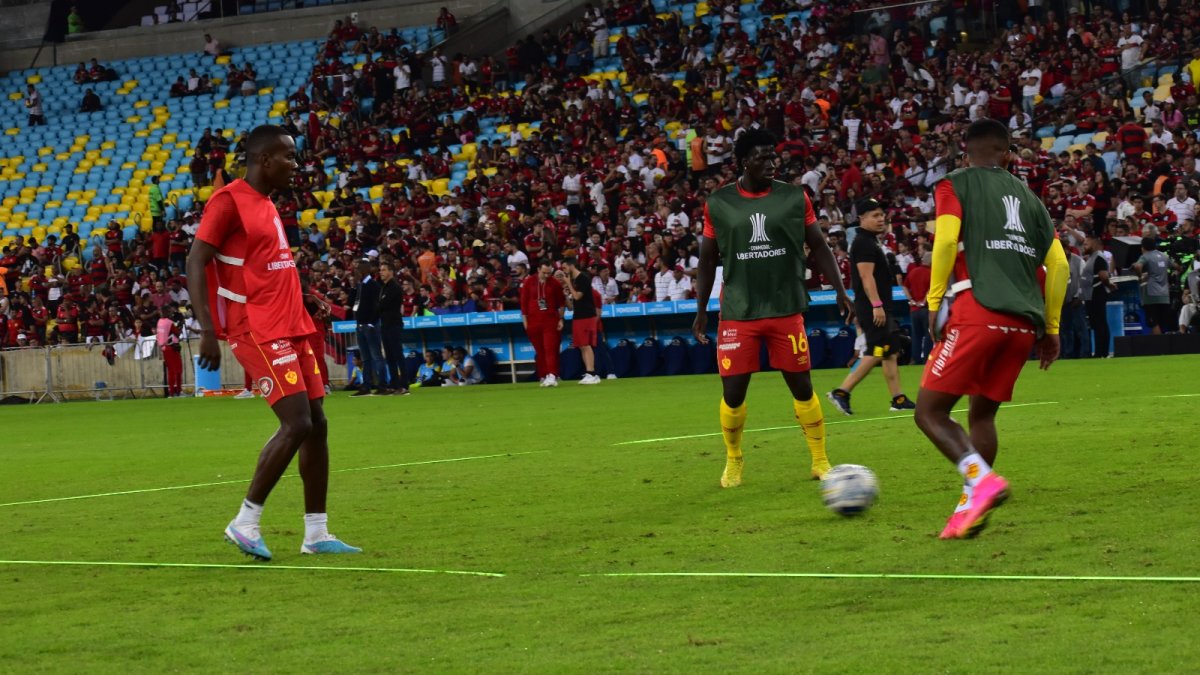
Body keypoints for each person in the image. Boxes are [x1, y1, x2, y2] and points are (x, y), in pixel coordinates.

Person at [187, 124, 359, 560]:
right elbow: (195, 259)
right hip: (258, 328)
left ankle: (316, 533)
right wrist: (207, 328)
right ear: (264, 160)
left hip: (292, 323)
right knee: (297, 422)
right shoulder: (228, 202)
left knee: (317, 424)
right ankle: (245, 521)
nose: (296, 165)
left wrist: (304, 300)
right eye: (289, 156)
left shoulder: (266, 204)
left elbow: (266, 266)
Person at [915, 119, 1067, 540]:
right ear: (1007, 154)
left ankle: (981, 482)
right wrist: (1050, 327)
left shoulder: (954, 183)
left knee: (929, 411)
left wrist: (933, 299)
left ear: (966, 153)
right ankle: (969, 510)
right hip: (1022, 325)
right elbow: (1059, 266)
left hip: (977, 310)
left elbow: (945, 242)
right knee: (982, 413)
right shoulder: (1031, 200)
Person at [692, 128, 854, 488]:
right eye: (763, 157)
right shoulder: (718, 203)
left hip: (785, 308)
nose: (771, 163)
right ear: (744, 161)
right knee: (733, 393)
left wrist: (842, 290)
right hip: (738, 311)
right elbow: (706, 260)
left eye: (773, 157)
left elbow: (819, 245)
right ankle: (734, 459)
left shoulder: (794, 197)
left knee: (802, 386)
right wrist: (701, 309)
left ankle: (820, 459)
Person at [827, 200, 916, 414]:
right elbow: (866, 278)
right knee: (877, 351)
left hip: (879, 306)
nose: (881, 219)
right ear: (862, 218)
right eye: (875, 215)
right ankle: (841, 392)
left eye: (881, 215)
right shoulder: (863, 243)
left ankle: (899, 399)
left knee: (890, 352)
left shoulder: (869, 241)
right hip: (873, 307)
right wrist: (877, 305)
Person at [519, 259, 565, 387]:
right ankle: (543, 375)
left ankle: (552, 374)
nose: (547, 275)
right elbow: (523, 303)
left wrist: (561, 319)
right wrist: (525, 322)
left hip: (550, 320)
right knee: (540, 351)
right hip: (533, 321)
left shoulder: (554, 283)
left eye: (549, 273)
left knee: (550, 348)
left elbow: (561, 303)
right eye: (544, 272)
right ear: (538, 269)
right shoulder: (529, 282)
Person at [559, 256, 601, 384]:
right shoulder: (573, 280)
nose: (564, 271)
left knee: (586, 345)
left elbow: (577, 296)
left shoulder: (583, 278)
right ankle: (589, 373)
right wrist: (565, 295)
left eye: (565, 267)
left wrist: (568, 284)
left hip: (587, 315)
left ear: (571, 265)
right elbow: (572, 306)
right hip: (578, 315)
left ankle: (592, 373)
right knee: (582, 346)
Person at [352, 257, 386, 396]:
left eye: (359, 269)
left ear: (365, 270)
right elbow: (355, 303)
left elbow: (377, 306)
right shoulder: (360, 285)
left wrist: (372, 322)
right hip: (360, 325)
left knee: (376, 356)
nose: (356, 272)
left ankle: (382, 385)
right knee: (365, 358)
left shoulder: (373, 285)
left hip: (370, 325)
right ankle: (366, 386)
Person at [376, 258, 410, 394]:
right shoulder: (383, 287)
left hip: (394, 324)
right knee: (389, 356)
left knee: (397, 354)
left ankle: (404, 385)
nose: (381, 272)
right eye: (380, 270)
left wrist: (377, 307)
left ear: (391, 272)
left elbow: (382, 305)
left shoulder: (394, 287)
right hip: (385, 324)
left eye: (384, 270)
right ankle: (394, 383)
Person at [1132, 236, 1177, 334]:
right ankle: (1156, 346)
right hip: (1164, 295)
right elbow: (1177, 267)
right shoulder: (1164, 256)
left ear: (1142, 247)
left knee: (1153, 322)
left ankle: (1160, 346)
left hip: (1151, 295)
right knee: (1160, 323)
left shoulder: (1145, 256)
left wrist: (1140, 276)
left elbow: (1137, 266)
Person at [1081, 233, 1113, 357]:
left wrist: (1109, 285)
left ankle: (1102, 352)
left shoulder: (1099, 257)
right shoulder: (1092, 257)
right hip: (1091, 295)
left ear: (1094, 242)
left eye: (1086, 243)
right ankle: (1100, 352)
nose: (1084, 246)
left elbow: (1104, 276)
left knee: (1100, 323)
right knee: (1097, 324)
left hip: (1097, 294)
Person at [904, 250, 932, 364]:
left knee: (916, 336)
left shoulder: (913, 272)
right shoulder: (932, 273)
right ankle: (927, 359)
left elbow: (905, 287)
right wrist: (924, 301)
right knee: (928, 334)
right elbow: (931, 289)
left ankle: (915, 359)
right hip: (925, 309)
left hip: (914, 310)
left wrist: (911, 300)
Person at [156, 306, 183, 397]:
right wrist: (180, 325)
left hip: (164, 348)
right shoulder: (169, 322)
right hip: (172, 347)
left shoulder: (160, 322)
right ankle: (177, 391)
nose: (172, 313)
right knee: (178, 370)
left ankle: (172, 392)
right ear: (167, 312)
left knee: (171, 371)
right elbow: (177, 333)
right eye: (170, 312)